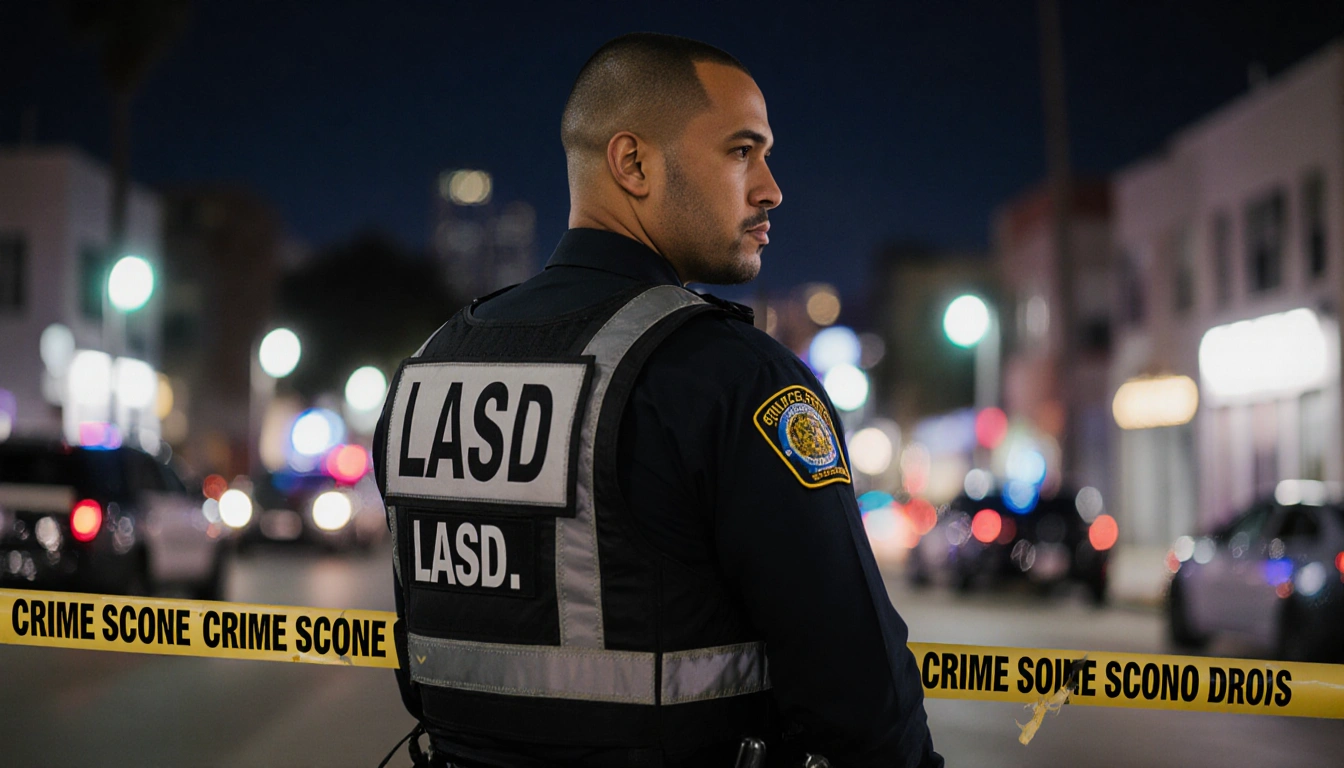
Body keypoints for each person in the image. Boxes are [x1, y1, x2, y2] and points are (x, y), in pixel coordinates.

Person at [373, 32, 942, 768]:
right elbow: (860, 697)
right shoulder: (731, 378)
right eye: (742, 151)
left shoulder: (430, 369)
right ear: (633, 163)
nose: (770, 187)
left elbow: (422, 670)